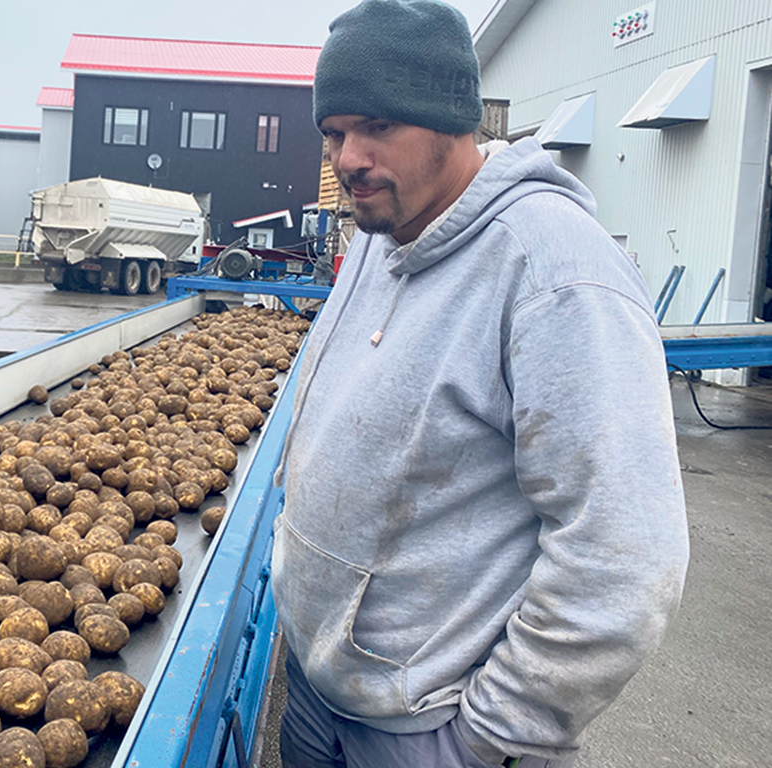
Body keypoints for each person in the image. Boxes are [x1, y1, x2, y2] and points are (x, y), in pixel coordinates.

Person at [271, 2, 689, 767]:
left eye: (377, 126)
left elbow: (622, 556)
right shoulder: (381, 226)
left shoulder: (556, 273)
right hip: (321, 688)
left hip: (429, 729)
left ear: (450, 121)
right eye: (333, 133)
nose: (349, 158)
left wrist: (490, 737)